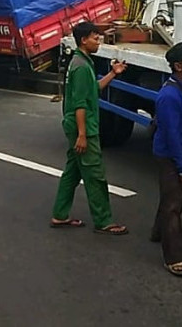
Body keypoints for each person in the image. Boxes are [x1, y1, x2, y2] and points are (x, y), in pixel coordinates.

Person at [50, 21, 129, 235]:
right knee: (95, 175)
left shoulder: (79, 62)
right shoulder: (82, 66)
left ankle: (60, 214)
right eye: (95, 38)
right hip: (83, 128)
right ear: (83, 40)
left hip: (74, 125)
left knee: (73, 172)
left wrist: (113, 73)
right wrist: (83, 135)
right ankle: (104, 220)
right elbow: (80, 105)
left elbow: (93, 90)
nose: (99, 42)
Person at [150, 41, 182, 277]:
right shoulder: (168, 97)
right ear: (179, 66)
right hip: (171, 156)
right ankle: (175, 257)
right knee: (173, 204)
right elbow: (170, 136)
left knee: (177, 198)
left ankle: (159, 232)